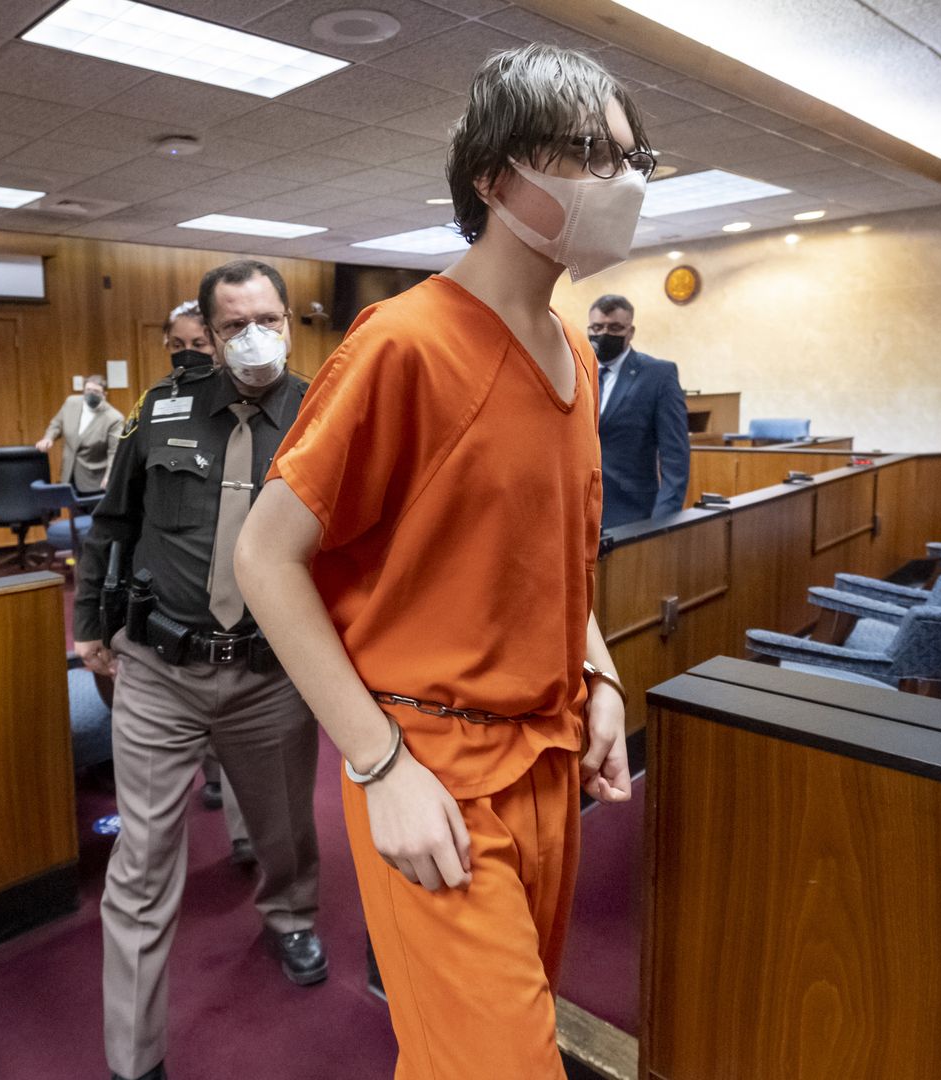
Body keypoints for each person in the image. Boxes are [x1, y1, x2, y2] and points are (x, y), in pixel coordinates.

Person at [236, 44, 640, 1080]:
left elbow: (554, 561)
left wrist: (596, 671)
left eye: (632, 159)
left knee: (482, 1047)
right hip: (435, 768)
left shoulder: (576, 353)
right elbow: (265, 558)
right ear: (494, 177)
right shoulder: (404, 345)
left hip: (550, 760)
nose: (622, 183)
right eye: (591, 154)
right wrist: (377, 769)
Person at [76, 261, 326, 1080]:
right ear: (210, 336)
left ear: (291, 323)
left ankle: (290, 915)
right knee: (141, 861)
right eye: (234, 325)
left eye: (271, 320)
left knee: (285, 824)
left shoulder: (326, 417)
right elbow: (109, 525)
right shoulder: (161, 410)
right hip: (160, 668)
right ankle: (134, 1060)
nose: (255, 337)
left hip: (271, 673)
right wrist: (90, 628)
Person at [160, 298, 251, 858]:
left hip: (250, 603)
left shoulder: (252, 410)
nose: (188, 356)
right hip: (184, 604)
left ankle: (246, 836)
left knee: (248, 734)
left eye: (199, 345)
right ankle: (211, 775)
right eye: (177, 346)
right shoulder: (156, 410)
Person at [588, 294, 689, 528]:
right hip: (579, 514)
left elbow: (675, 458)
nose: (604, 334)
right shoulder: (577, 369)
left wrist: (663, 521)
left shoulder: (658, 375)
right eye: (597, 327)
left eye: (615, 327)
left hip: (633, 514)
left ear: (630, 331)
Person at [36, 374, 123, 494]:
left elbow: (115, 452)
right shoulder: (71, 403)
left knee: (94, 512)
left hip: (95, 480)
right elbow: (57, 423)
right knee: (74, 511)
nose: (91, 394)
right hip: (68, 473)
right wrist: (48, 438)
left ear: (104, 394)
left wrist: (109, 476)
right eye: (88, 390)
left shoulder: (114, 418)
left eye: (96, 391)